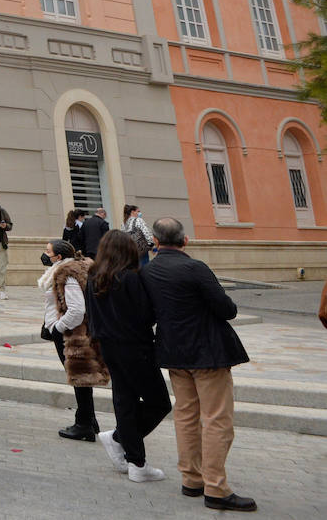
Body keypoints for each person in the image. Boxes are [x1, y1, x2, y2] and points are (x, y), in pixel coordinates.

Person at [142, 218, 255, 512]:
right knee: (217, 419)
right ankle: (216, 488)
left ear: (155, 241)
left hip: (174, 353)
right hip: (208, 353)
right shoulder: (195, 268)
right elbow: (227, 309)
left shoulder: (149, 271)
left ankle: (192, 479)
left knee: (186, 415)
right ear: (185, 240)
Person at [86, 229, 170, 483]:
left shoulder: (94, 279)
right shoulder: (131, 278)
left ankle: (135, 460)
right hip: (136, 346)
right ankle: (122, 441)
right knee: (158, 403)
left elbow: (91, 316)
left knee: (125, 401)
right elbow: (146, 315)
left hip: (109, 346)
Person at [40, 238, 108, 441]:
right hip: (74, 331)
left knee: (79, 377)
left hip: (71, 333)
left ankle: (84, 424)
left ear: (59, 257)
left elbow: (77, 309)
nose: (45, 254)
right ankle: (89, 420)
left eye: (48, 251)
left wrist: (57, 328)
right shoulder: (73, 268)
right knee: (80, 377)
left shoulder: (66, 273)